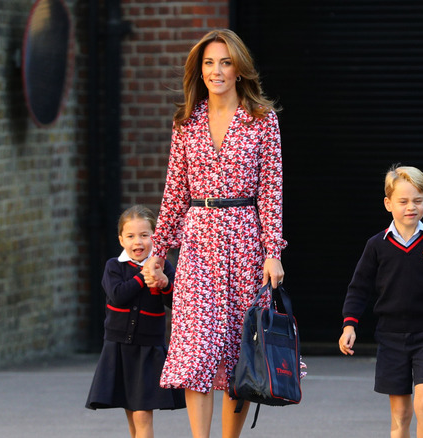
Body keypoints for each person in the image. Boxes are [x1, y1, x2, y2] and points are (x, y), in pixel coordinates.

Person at [142, 29, 287, 438]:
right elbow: (174, 192)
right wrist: (159, 250)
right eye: (209, 63)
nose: (216, 70)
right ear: (199, 70)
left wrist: (272, 251)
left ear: (239, 69)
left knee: (239, 353)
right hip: (198, 241)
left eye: (225, 62)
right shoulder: (186, 122)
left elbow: (271, 192)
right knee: (196, 350)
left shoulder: (262, 120)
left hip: (244, 240)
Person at [339, 165, 423, 438]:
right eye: (403, 201)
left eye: (418, 200)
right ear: (388, 203)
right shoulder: (376, 245)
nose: (411, 207)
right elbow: (359, 288)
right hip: (391, 337)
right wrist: (349, 326)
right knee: (401, 414)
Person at [86, 205, 186, 438]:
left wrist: (164, 284)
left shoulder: (164, 267)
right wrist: (143, 276)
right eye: (130, 236)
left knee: (142, 412)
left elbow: (176, 302)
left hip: (148, 348)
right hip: (118, 346)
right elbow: (118, 296)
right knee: (131, 410)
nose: (137, 242)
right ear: (121, 239)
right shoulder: (114, 266)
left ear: (155, 237)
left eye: (144, 235)